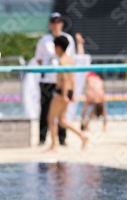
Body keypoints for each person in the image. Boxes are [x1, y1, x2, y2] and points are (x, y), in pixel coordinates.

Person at [35, 12, 75, 146]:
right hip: (48, 81)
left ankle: (61, 140)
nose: (56, 24)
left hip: (62, 83)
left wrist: (69, 89)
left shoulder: (68, 39)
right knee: (46, 111)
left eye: (59, 22)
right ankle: (43, 139)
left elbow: (71, 63)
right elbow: (39, 59)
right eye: (54, 22)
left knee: (60, 114)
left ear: (62, 24)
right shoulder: (44, 40)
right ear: (50, 24)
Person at [47, 36, 88, 153]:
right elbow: (72, 78)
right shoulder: (69, 59)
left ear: (59, 47)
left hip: (62, 92)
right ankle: (83, 136)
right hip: (68, 92)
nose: (54, 50)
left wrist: (65, 95)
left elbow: (65, 79)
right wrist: (72, 93)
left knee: (51, 119)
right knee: (62, 120)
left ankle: (54, 146)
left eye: (55, 47)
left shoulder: (62, 61)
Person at [76, 33, 107, 132]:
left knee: (82, 60)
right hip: (90, 77)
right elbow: (103, 113)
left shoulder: (101, 98)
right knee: (81, 60)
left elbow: (85, 111)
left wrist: (82, 123)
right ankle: (80, 44)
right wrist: (104, 127)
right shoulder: (93, 97)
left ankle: (80, 44)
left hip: (96, 77)